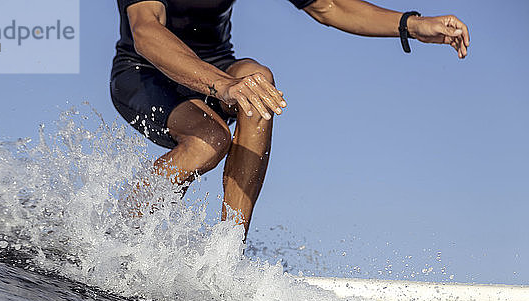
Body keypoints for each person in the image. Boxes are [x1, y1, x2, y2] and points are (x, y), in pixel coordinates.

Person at [110, 0, 470, 237]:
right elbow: (146, 31)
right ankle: (120, 233)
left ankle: (225, 255)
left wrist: (411, 24)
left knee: (258, 82)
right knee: (210, 141)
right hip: (146, 72)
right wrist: (222, 86)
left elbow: (328, 6)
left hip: (220, 67)